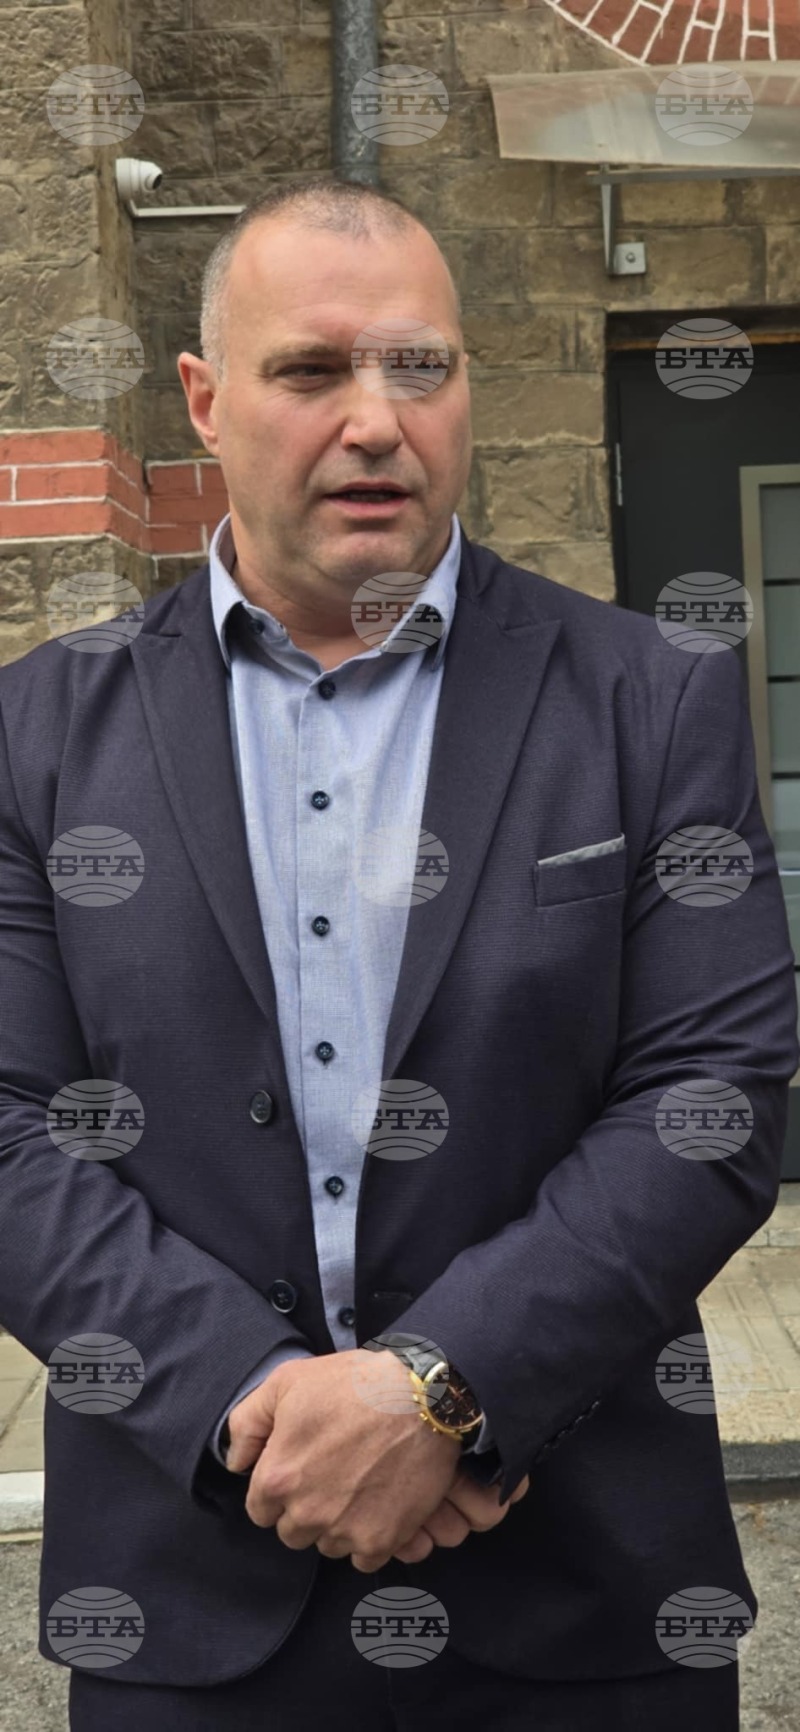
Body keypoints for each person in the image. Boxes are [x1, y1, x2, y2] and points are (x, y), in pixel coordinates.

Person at [0, 176, 796, 1732]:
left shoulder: (650, 700)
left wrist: (443, 1388)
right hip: (192, 1597)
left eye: (419, 367)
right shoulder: (37, 732)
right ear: (205, 399)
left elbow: (713, 1098)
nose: (376, 421)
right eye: (312, 370)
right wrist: (250, 1405)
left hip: (580, 1601)